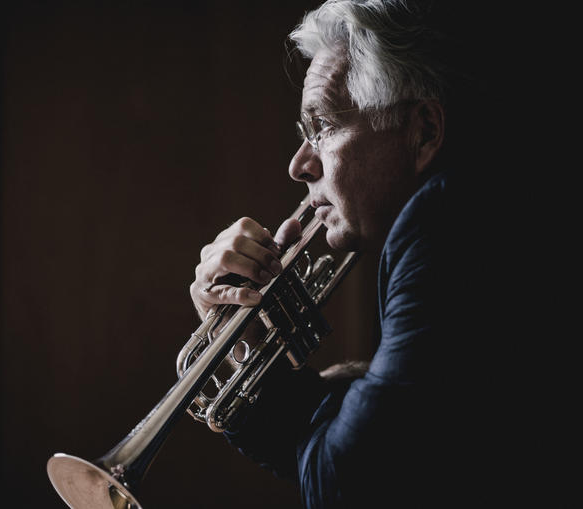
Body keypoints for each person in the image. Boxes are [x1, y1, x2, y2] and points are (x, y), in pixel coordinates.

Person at [189, 1, 515, 507]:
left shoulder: (441, 220)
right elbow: (389, 462)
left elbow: (346, 484)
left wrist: (263, 367)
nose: (299, 164)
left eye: (322, 126)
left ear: (425, 131)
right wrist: (246, 346)